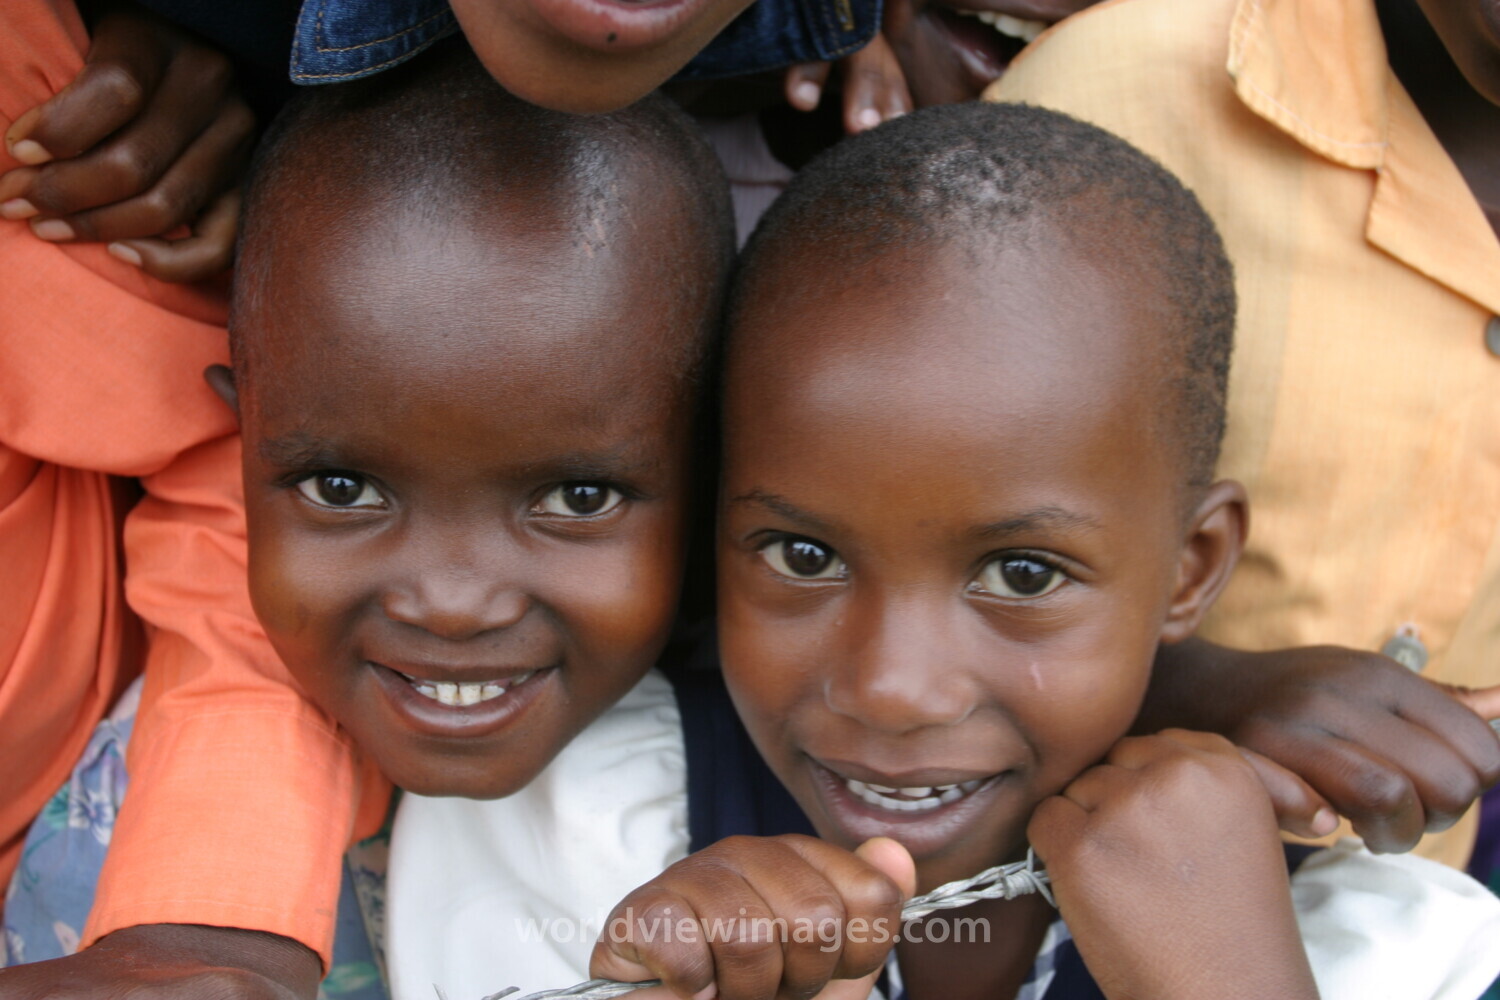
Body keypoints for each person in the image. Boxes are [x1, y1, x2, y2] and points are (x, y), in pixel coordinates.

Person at [589, 102, 1500, 1000]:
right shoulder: (574, 846)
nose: (894, 689)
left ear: (1192, 569)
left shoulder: (1408, 957)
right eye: (801, 556)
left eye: (1022, 574)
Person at [986, 0, 1500, 872]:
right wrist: (1197, 689)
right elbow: (919, 537)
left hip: (1417, 924)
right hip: (1033, 891)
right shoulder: (1129, 89)